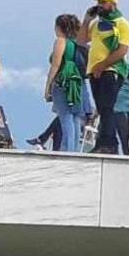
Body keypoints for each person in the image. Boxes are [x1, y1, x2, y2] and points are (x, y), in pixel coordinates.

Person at [80, 0, 129, 153]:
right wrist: (87, 20)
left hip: (111, 70)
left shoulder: (121, 23)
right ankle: (104, 142)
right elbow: (82, 40)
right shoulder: (97, 24)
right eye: (99, 2)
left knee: (107, 106)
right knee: (102, 108)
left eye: (103, 2)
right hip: (95, 71)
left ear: (113, 4)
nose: (100, 5)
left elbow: (122, 50)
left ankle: (109, 143)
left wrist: (102, 65)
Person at [42, 13, 90, 152]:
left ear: (59, 27)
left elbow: (55, 65)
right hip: (78, 82)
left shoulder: (61, 41)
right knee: (75, 117)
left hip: (64, 81)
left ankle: (67, 150)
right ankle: (73, 149)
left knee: (65, 116)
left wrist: (48, 86)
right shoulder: (78, 43)